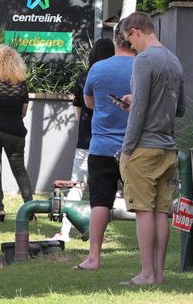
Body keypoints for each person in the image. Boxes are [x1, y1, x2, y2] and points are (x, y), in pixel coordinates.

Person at [118, 11, 185, 285]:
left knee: (143, 210)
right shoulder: (173, 60)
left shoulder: (143, 60)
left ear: (136, 31)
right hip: (168, 147)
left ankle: (146, 273)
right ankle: (157, 273)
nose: (130, 46)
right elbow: (180, 108)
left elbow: (139, 112)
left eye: (129, 40)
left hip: (144, 147)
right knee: (161, 211)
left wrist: (127, 148)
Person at [75, 23, 135, 270]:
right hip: (135, 147)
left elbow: (89, 103)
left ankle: (94, 258)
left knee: (100, 202)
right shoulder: (143, 67)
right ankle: (149, 264)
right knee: (143, 205)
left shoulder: (98, 68)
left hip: (101, 146)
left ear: (115, 39)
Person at [51, 38, 115, 242]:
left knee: (77, 186)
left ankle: (64, 231)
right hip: (112, 142)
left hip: (87, 139)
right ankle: (100, 233)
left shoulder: (83, 77)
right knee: (108, 190)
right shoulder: (114, 75)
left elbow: (79, 111)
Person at [0, 45, 33, 222]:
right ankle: (29, 207)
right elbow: (23, 112)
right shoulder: (22, 86)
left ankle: (0, 209)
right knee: (19, 169)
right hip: (15, 132)